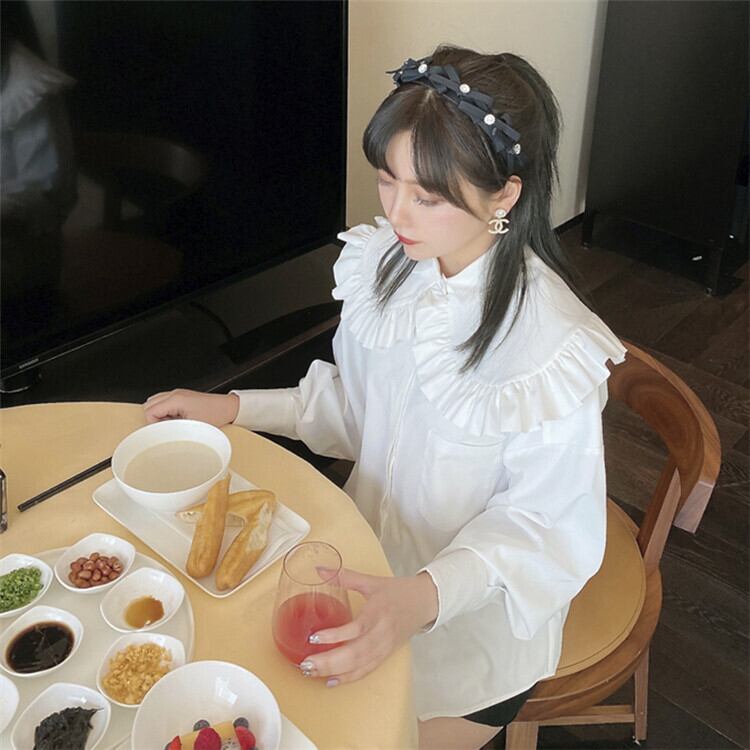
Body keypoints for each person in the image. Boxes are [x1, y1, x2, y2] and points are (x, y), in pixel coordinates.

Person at [144, 46, 626, 750]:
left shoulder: (550, 349)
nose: (397, 213)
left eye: (427, 197)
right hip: (358, 560)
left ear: (504, 196)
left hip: (470, 632)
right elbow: (355, 410)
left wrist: (423, 598)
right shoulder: (389, 265)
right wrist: (234, 408)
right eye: (386, 179)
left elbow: (544, 529)